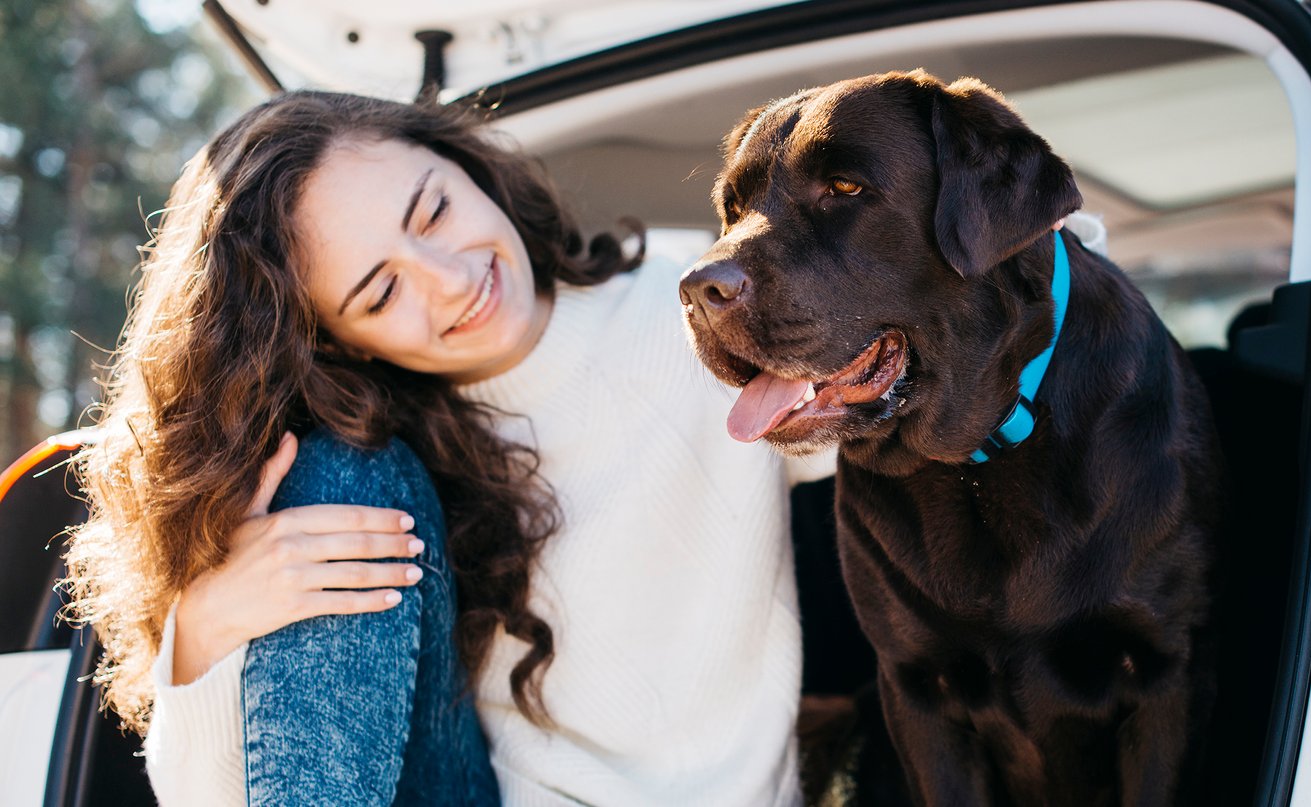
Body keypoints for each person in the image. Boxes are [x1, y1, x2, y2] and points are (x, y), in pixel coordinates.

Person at [64, 90, 829, 806]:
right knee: (338, 473)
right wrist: (203, 629)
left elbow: (935, 436)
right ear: (342, 343)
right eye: (381, 293)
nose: (451, 278)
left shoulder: (704, 319)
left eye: (431, 211)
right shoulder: (363, 468)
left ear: (464, 163)